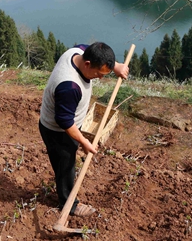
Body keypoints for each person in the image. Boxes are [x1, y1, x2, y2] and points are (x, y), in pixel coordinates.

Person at [39, 42, 129, 217]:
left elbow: (89, 47)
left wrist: (116, 66)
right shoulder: (69, 86)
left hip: (68, 121)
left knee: (67, 161)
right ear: (87, 64)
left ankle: (67, 195)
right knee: (65, 166)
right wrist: (84, 141)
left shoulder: (78, 52)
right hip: (58, 131)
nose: (100, 78)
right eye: (99, 73)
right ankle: (69, 204)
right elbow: (64, 121)